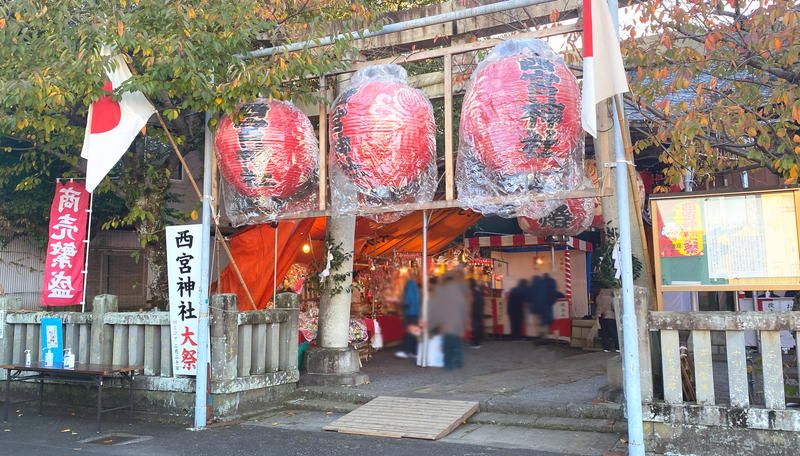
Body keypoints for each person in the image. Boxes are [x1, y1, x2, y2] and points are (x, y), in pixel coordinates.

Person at [427, 271, 469, 369]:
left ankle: (449, 364)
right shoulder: (458, 292)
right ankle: (458, 363)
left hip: (446, 324)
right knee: (456, 344)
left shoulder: (441, 292)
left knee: (448, 345)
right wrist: (464, 323)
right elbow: (463, 309)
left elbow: (435, 309)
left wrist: (432, 324)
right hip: (457, 324)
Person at [395, 278, 420, 359]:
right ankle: (414, 351)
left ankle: (406, 351)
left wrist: (400, 305)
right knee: (414, 333)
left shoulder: (409, 290)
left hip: (410, 314)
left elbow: (407, 303)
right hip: (416, 314)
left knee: (409, 333)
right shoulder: (416, 292)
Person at [468, 278, 485, 348]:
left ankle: (476, 343)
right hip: (479, 310)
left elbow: (471, 301)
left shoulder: (471, 291)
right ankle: (478, 340)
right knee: (478, 325)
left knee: (475, 326)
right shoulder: (478, 290)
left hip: (474, 310)